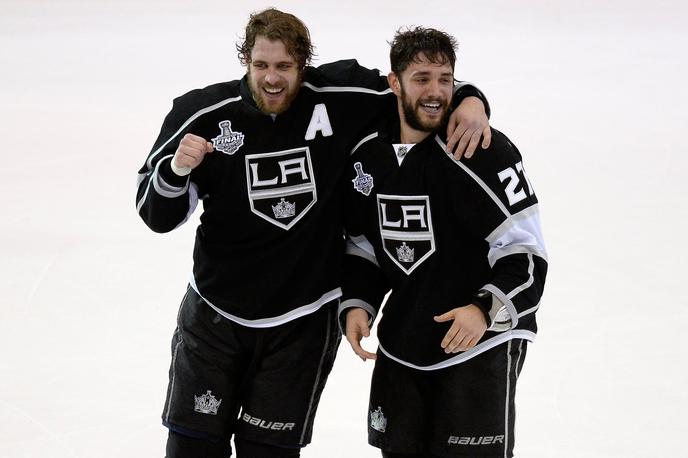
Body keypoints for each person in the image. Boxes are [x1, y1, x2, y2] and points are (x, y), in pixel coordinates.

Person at [136, 8, 491, 458]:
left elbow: (417, 87)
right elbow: (155, 215)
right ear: (246, 60)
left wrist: (471, 99)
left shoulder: (340, 94)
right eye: (261, 65)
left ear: (304, 65)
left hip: (302, 324)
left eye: (284, 67)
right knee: (190, 450)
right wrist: (177, 168)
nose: (271, 79)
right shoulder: (201, 113)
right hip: (215, 317)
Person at [341, 27, 548, 458]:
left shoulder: (482, 150)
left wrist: (484, 309)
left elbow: (527, 255)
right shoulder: (367, 155)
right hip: (404, 343)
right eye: (422, 79)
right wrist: (359, 301)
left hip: (479, 345)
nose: (436, 91)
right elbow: (363, 242)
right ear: (394, 83)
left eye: (445, 78)